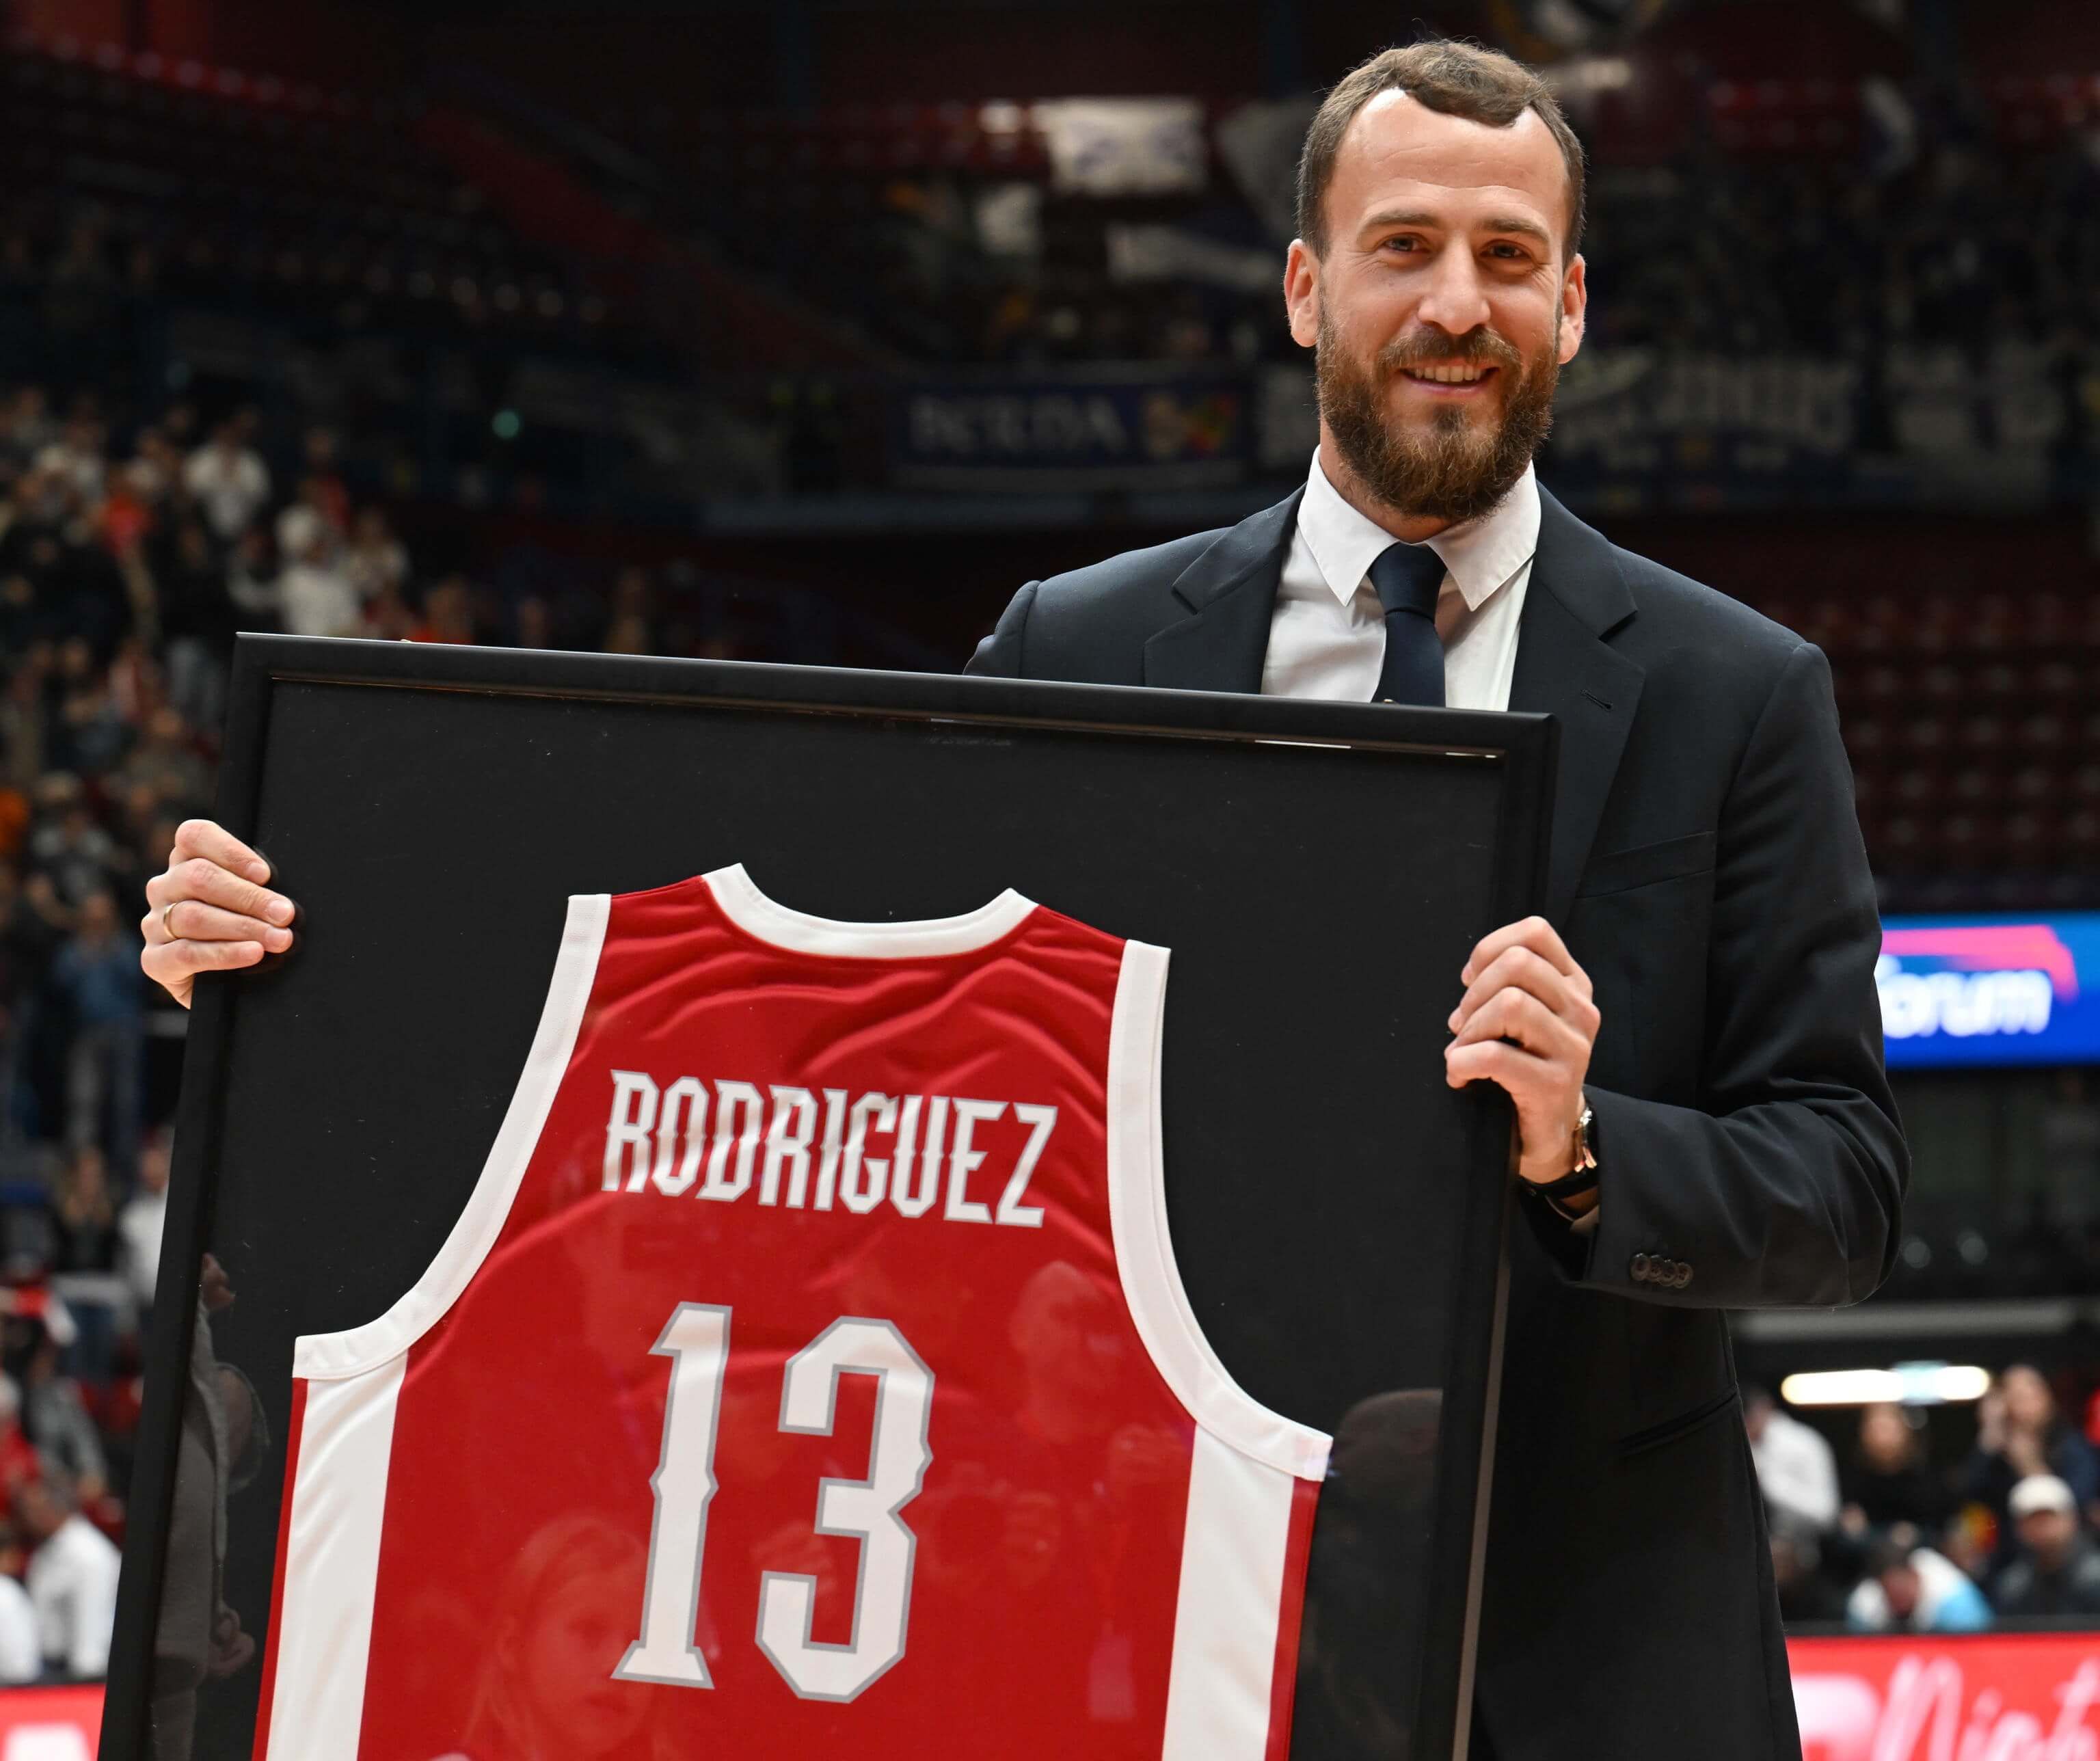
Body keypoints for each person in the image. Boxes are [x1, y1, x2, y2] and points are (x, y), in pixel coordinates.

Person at [132, 39, 1907, 1761]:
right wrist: (310, 966)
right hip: (1141, 1617)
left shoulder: (1735, 695)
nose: (1458, 303)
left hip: (1588, 1655)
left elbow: (1842, 1183)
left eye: (1509, 257)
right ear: (1306, 289)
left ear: (1573, 306)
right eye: (1404, 247)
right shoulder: (1085, 646)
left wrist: (1583, 1153)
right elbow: (830, 1053)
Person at [1962, 1365, 2100, 1577]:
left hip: (2068, 1559)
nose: (2022, 1408)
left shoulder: (2072, 1447)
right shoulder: (1997, 1454)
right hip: (2011, 1558)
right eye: (2013, 1398)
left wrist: (2028, 1463)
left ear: (2046, 1399)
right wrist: (1989, 1436)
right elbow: (1969, 1494)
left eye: (2028, 1397)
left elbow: (2073, 1502)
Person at [18, 1472, 120, 1678]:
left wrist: (83, 1682)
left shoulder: (89, 1555)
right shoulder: (46, 1550)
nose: (24, 1517)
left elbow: (91, 1627)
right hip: (46, 1667)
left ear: (51, 1509)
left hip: (75, 1672)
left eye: (30, 1510)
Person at [1993, 1474, 2100, 1619]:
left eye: (2049, 1518)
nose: (2042, 1528)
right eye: (2033, 1520)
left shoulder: (2095, 1579)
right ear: (2018, 1528)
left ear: (2071, 1519)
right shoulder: (2013, 1587)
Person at [1846, 1531, 1991, 1634]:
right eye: (1892, 1594)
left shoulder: (1954, 1599)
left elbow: (1977, 1650)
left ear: (1914, 1576)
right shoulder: (1866, 1605)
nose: (1898, 1600)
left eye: (1902, 1591)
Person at [1842, 1400, 1949, 1534]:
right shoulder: (1853, 1479)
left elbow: (1940, 1524)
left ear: (1905, 1430)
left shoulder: (1925, 1478)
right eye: (1875, 1428)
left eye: (1887, 1428)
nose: (1881, 1437)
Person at [1745, 1385, 1840, 1533]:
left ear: (1764, 1410)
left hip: (1801, 1539)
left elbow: (1826, 1512)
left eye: (1748, 1420)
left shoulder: (1803, 1443)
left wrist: (1768, 1481)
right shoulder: (1747, 1445)